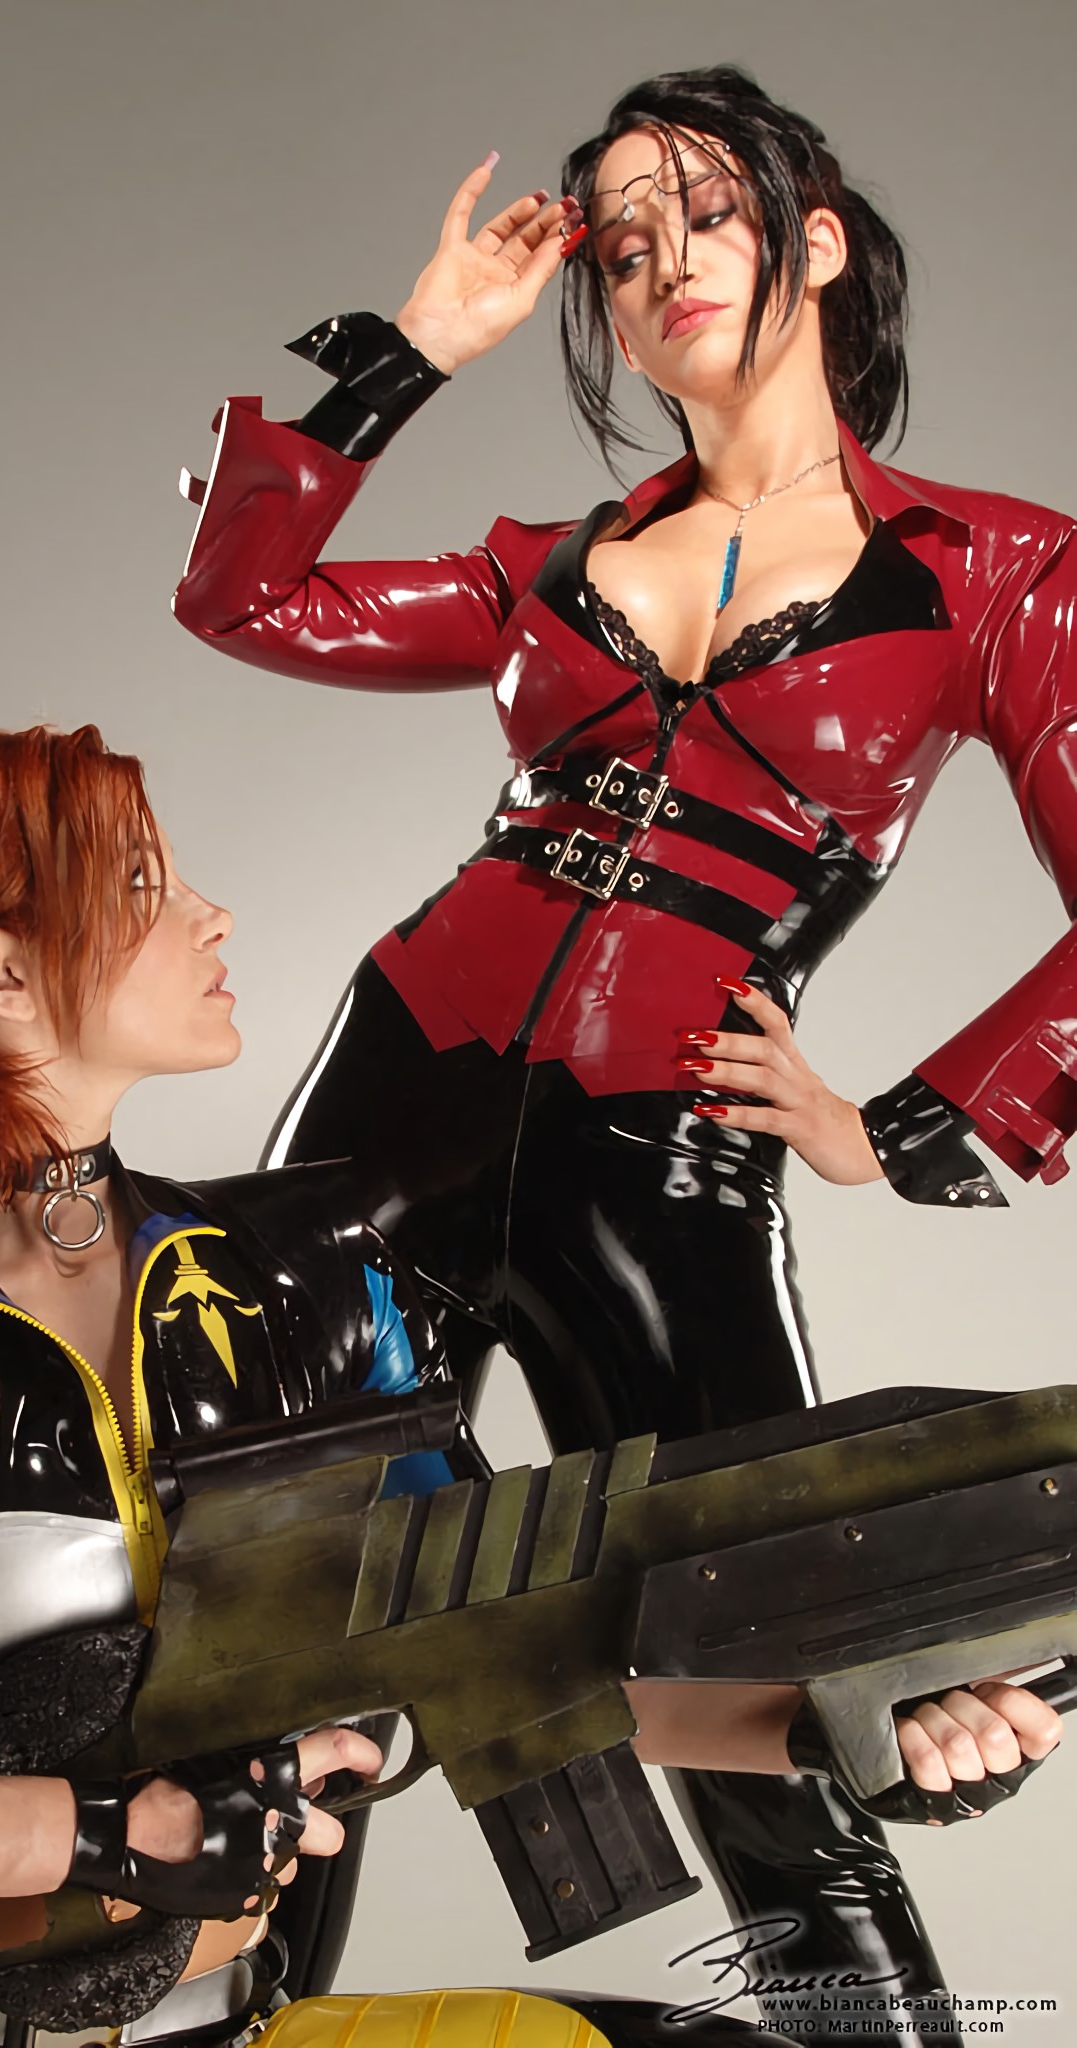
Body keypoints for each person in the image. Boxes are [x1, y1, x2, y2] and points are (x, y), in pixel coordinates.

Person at [0, 723, 1058, 2048]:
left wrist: (852, 1726)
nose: (209, 915)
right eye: (145, 885)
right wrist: (104, 1833)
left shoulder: (315, 1271)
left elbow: (521, 1649)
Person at [169, 62, 1077, 2048]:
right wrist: (419, 346)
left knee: (762, 1656)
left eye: (708, 211)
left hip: (658, 1156)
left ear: (815, 239)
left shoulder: (997, 573)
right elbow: (241, 597)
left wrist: (897, 1124)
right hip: (386, 1104)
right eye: (620, 238)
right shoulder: (544, 564)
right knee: (280, 1631)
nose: (662, 260)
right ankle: (226, 2031)